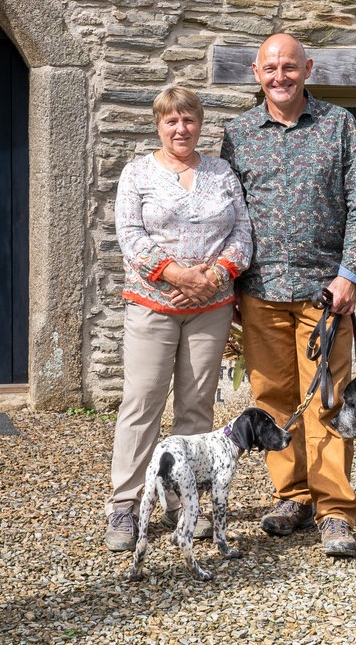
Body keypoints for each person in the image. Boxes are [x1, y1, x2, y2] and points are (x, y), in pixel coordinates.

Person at [220, 33, 356, 558]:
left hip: (322, 292)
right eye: (270, 68)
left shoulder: (339, 126)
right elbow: (230, 216)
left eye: (289, 66)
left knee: (328, 402)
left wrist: (350, 275)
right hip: (260, 292)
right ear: (256, 73)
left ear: (307, 68)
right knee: (273, 400)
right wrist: (233, 286)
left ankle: (334, 510)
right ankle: (292, 496)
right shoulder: (237, 134)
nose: (280, 76)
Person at [106, 84, 253, 551]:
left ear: (200, 123)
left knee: (196, 409)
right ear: (159, 124)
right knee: (142, 403)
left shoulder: (221, 171)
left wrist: (214, 276)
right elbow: (129, 235)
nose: (180, 128)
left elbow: (243, 233)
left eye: (188, 119)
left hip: (209, 308)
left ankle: (182, 503)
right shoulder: (137, 174)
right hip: (153, 305)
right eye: (171, 120)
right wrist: (177, 276)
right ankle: (125, 507)